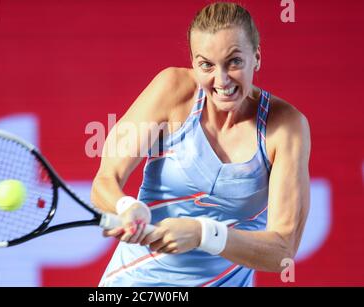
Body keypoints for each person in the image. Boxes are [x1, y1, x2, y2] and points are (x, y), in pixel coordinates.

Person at [91, 1, 311, 287]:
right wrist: (125, 206)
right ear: (194, 63)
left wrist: (203, 233)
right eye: (206, 64)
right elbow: (105, 181)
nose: (221, 80)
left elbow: (282, 251)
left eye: (234, 62)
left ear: (256, 57)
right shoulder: (172, 88)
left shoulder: (286, 127)